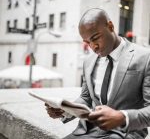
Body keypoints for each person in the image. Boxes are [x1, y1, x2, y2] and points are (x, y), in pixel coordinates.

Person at [45, 8, 150, 139]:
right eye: (87, 42)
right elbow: (86, 98)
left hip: (125, 134)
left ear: (110, 26)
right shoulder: (88, 62)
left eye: (95, 38)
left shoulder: (145, 57)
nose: (93, 47)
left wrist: (122, 117)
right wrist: (65, 111)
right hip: (86, 132)